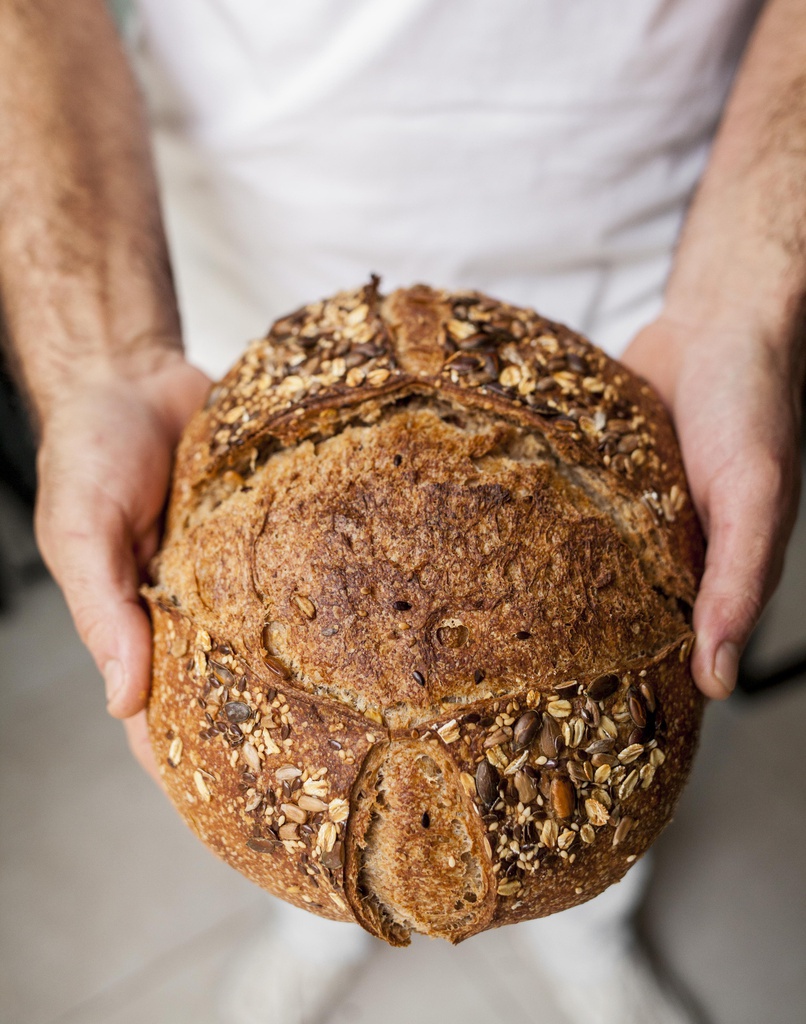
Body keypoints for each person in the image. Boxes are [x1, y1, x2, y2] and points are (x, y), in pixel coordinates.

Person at [0, 1, 803, 1022]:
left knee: (635, 749)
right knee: (287, 799)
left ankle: (593, 934)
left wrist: (746, 298)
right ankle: (314, 918)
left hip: (674, 285)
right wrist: (104, 357)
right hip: (228, 306)